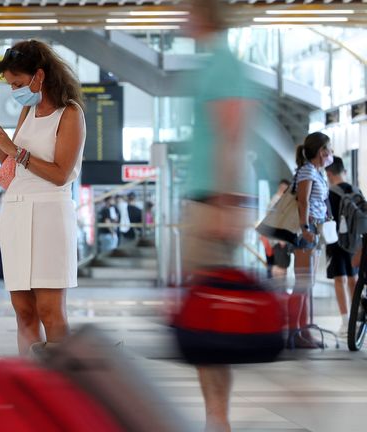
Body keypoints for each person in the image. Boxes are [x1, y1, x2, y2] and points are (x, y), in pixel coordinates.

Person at [179, 0, 260, 430]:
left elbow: (232, 134)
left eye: (186, 9)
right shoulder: (215, 63)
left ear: (204, 15)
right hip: (208, 201)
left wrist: (227, 205)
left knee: (210, 321)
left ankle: (218, 421)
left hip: (212, 204)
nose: (179, 17)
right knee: (207, 319)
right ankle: (216, 418)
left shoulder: (223, 66)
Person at [0, 39, 86, 355]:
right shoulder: (28, 109)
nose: (15, 91)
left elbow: (60, 174)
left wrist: (15, 150)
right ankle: (29, 384)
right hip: (16, 212)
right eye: (11, 85)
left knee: (50, 311)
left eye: (18, 83)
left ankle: (61, 387)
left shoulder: (70, 113)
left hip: (50, 216)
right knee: (23, 312)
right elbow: (13, 169)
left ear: (39, 76)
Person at [290, 132, 333, 349]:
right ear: (319, 150)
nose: (330, 153)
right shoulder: (307, 170)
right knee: (302, 283)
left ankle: (305, 330)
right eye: (327, 149)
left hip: (316, 229)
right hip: (305, 231)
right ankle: (295, 332)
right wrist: (305, 227)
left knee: (309, 283)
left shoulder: (319, 172)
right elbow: (303, 201)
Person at [325, 156, 359, 337]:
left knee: (340, 280)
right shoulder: (356, 190)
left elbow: (327, 220)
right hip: (356, 243)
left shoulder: (330, 193)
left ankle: (345, 323)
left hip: (337, 242)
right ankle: (356, 321)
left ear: (329, 173)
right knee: (354, 281)